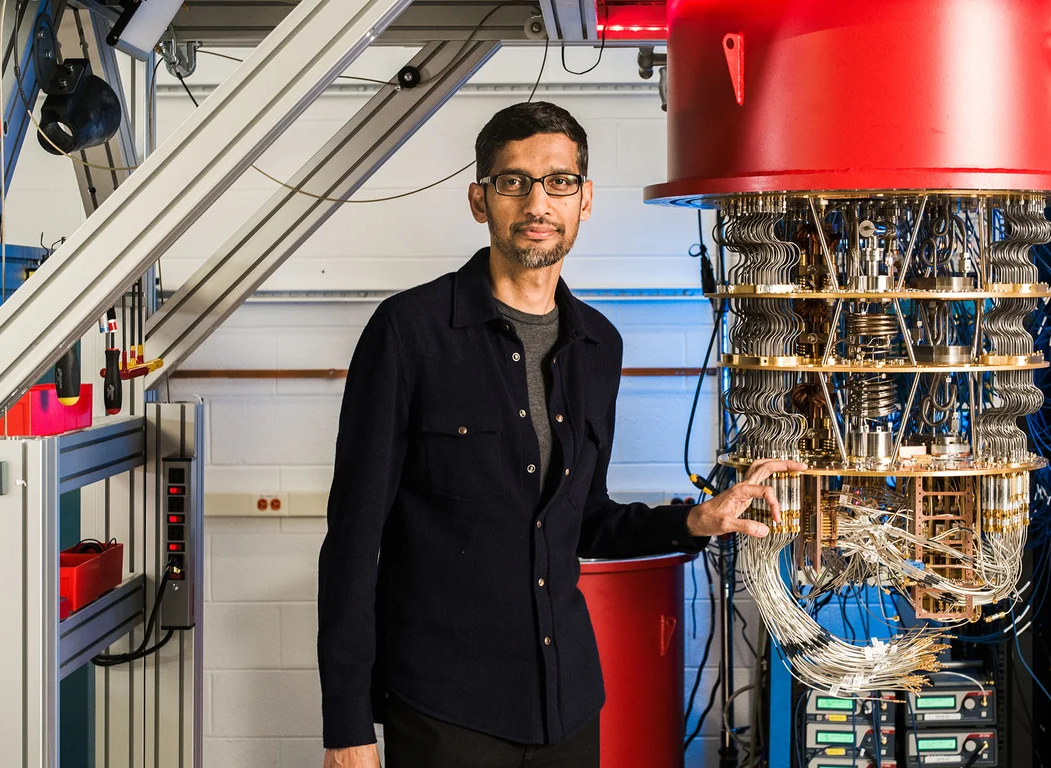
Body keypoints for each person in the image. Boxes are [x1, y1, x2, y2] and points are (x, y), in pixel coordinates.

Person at [318, 101, 803, 768]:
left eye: (558, 182)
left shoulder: (597, 343)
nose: (537, 201)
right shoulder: (409, 333)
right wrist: (345, 726)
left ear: (585, 199)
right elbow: (351, 541)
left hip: (567, 702)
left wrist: (697, 519)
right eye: (513, 181)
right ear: (479, 199)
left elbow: (585, 520)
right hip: (444, 707)